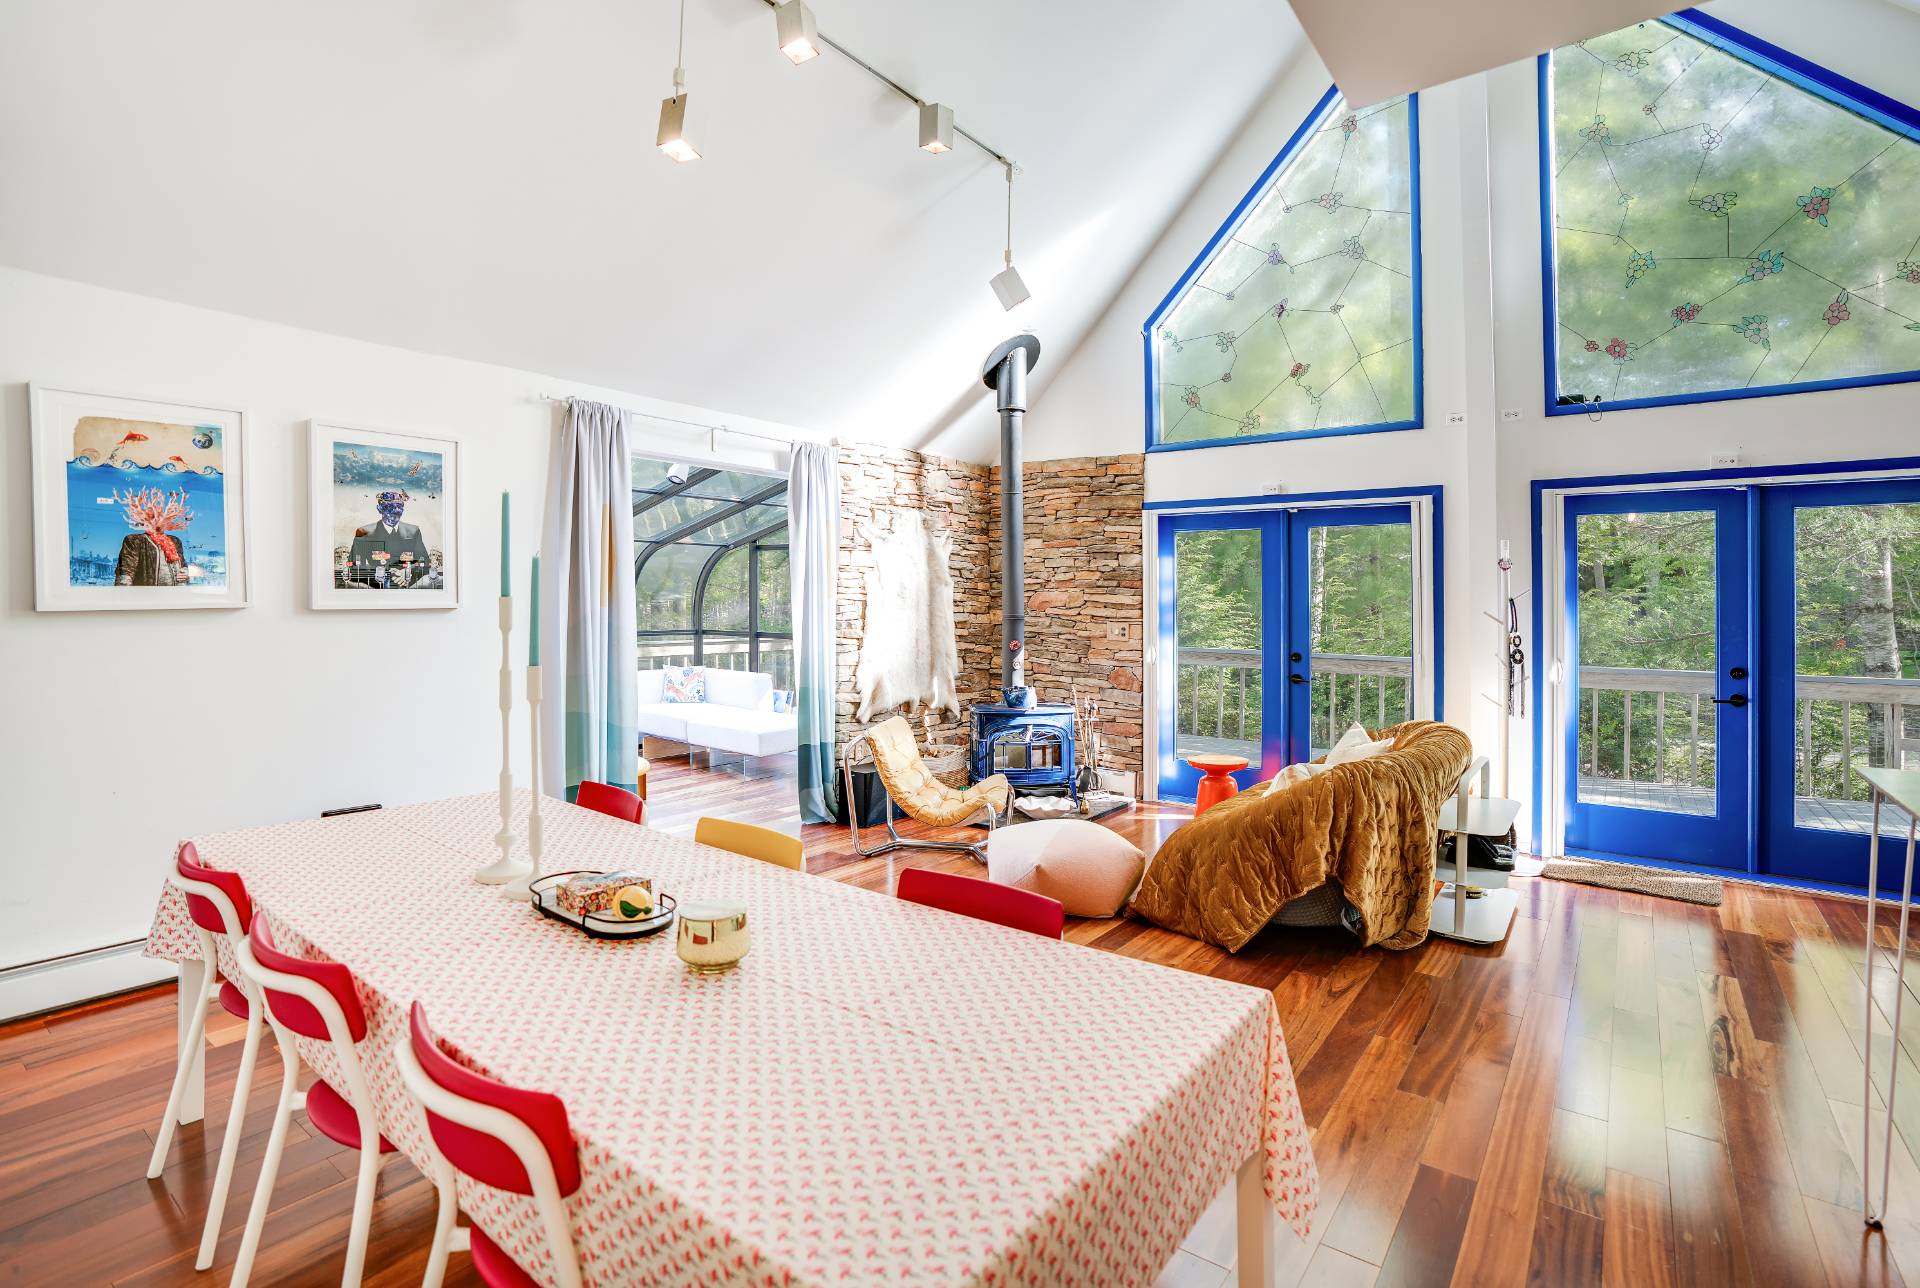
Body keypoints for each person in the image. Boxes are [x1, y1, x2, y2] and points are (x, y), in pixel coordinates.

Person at [112, 486, 192, 587]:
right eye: (152, 516)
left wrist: (185, 573)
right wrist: (124, 596)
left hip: (175, 595)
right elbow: (126, 570)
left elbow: (182, 565)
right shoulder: (135, 540)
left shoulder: (175, 541)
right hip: (147, 597)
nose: (158, 520)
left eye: (163, 516)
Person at [347, 490, 430, 584]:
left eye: (397, 514)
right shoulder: (363, 532)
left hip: (407, 586)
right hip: (376, 586)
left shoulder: (413, 531)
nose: (393, 518)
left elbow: (425, 561)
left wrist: (409, 572)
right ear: (379, 509)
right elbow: (354, 566)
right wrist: (374, 576)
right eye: (389, 512)